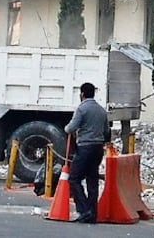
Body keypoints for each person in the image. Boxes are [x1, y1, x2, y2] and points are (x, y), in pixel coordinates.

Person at [64, 82, 110, 224]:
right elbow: (106, 131)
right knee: (92, 180)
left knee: (74, 178)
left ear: (82, 94)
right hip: (98, 149)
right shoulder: (102, 110)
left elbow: (71, 128)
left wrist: (66, 128)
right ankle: (92, 213)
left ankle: (84, 210)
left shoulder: (82, 109)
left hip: (85, 148)